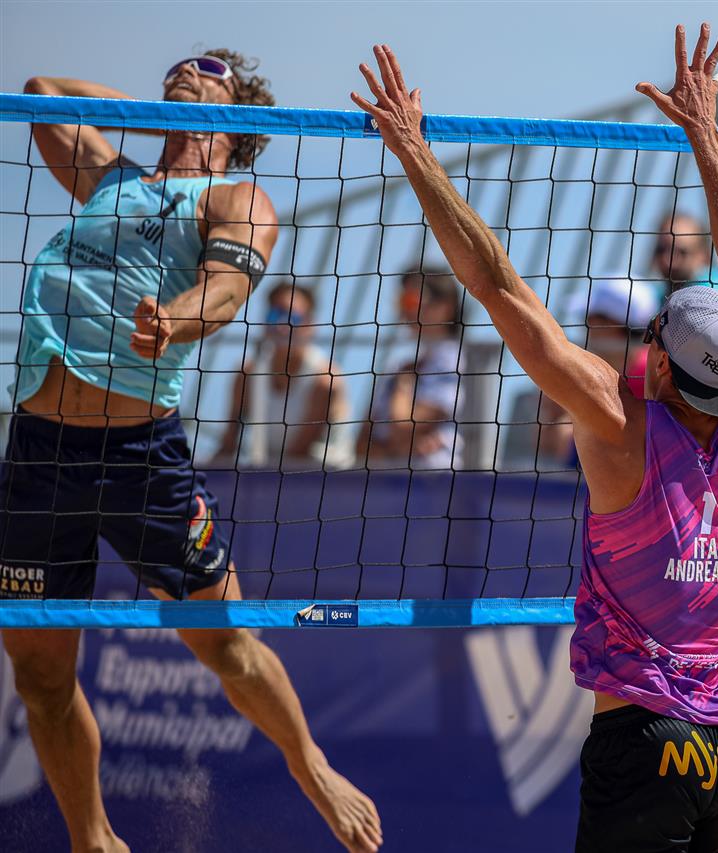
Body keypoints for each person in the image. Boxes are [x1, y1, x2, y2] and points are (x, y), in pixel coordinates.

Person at [352, 27, 718, 851]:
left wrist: (413, 151)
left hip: (647, 743)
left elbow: (497, 286)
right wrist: (706, 131)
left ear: (659, 362)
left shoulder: (620, 424)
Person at [3, 55, 381, 853]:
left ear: (238, 120)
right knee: (39, 674)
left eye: (208, 72)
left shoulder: (234, 198)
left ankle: (310, 764)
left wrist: (176, 318)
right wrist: (160, 107)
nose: (186, 70)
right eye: (177, 70)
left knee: (226, 642)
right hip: (39, 453)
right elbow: (42, 93)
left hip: (141, 456)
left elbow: (227, 289)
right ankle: (94, 840)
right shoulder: (111, 178)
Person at [217, 280, 351, 469]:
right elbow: (228, 444)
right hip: (272, 474)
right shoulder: (246, 375)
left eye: (292, 318)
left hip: (324, 478)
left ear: (310, 325)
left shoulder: (326, 380)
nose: (282, 326)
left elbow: (298, 454)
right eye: (275, 316)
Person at [537, 278, 659, 467]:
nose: (586, 326)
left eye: (590, 318)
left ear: (611, 324)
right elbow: (543, 441)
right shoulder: (599, 369)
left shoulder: (650, 373)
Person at [358, 268, 465, 470]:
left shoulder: (456, 362)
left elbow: (403, 424)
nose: (404, 309)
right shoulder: (400, 366)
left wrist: (403, 386)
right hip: (387, 480)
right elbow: (361, 444)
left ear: (445, 306)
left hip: (435, 481)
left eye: (412, 300)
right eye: (402, 300)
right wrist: (397, 450)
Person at [651, 212, 718, 294]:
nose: (667, 261)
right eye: (661, 250)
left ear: (703, 256)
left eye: (680, 252)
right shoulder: (658, 294)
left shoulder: (713, 292)